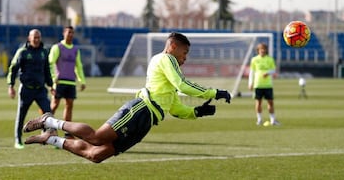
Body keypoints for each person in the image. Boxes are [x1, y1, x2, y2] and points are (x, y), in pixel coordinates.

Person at [22, 32, 232, 163]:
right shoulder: (166, 58)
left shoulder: (168, 75)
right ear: (173, 46)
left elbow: (175, 107)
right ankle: (48, 120)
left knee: (97, 155)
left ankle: (51, 138)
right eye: (184, 53)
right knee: (96, 137)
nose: (185, 59)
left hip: (146, 122)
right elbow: (183, 85)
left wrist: (198, 112)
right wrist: (215, 92)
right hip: (140, 109)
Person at [7, 29, 55, 149]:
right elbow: (13, 69)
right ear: (29, 38)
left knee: (48, 114)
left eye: (38, 37)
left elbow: (47, 70)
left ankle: (51, 139)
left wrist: (51, 85)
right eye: (34, 37)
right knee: (21, 115)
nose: (37, 40)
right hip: (26, 90)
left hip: (40, 90)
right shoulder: (22, 52)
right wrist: (10, 86)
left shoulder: (44, 52)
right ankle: (18, 140)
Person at [48, 25, 86, 139]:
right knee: (54, 105)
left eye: (72, 32)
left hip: (71, 82)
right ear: (63, 33)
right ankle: (47, 128)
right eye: (68, 32)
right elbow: (50, 63)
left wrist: (82, 81)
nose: (70, 34)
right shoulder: (57, 47)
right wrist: (53, 78)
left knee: (69, 106)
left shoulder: (75, 50)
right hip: (59, 82)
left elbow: (78, 66)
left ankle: (67, 133)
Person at [248, 43, 280, 126]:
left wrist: (268, 73)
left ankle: (273, 120)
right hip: (258, 84)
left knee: (270, 102)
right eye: (261, 49)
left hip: (268, 84)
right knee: (258, 103)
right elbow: (252, 72)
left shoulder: (270, 59)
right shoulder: (254, 59)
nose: (262, 50)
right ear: (258, 50)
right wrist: (250, 83)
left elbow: (273, 70)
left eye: (264, 49)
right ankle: (259, 119)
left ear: (266, 50)